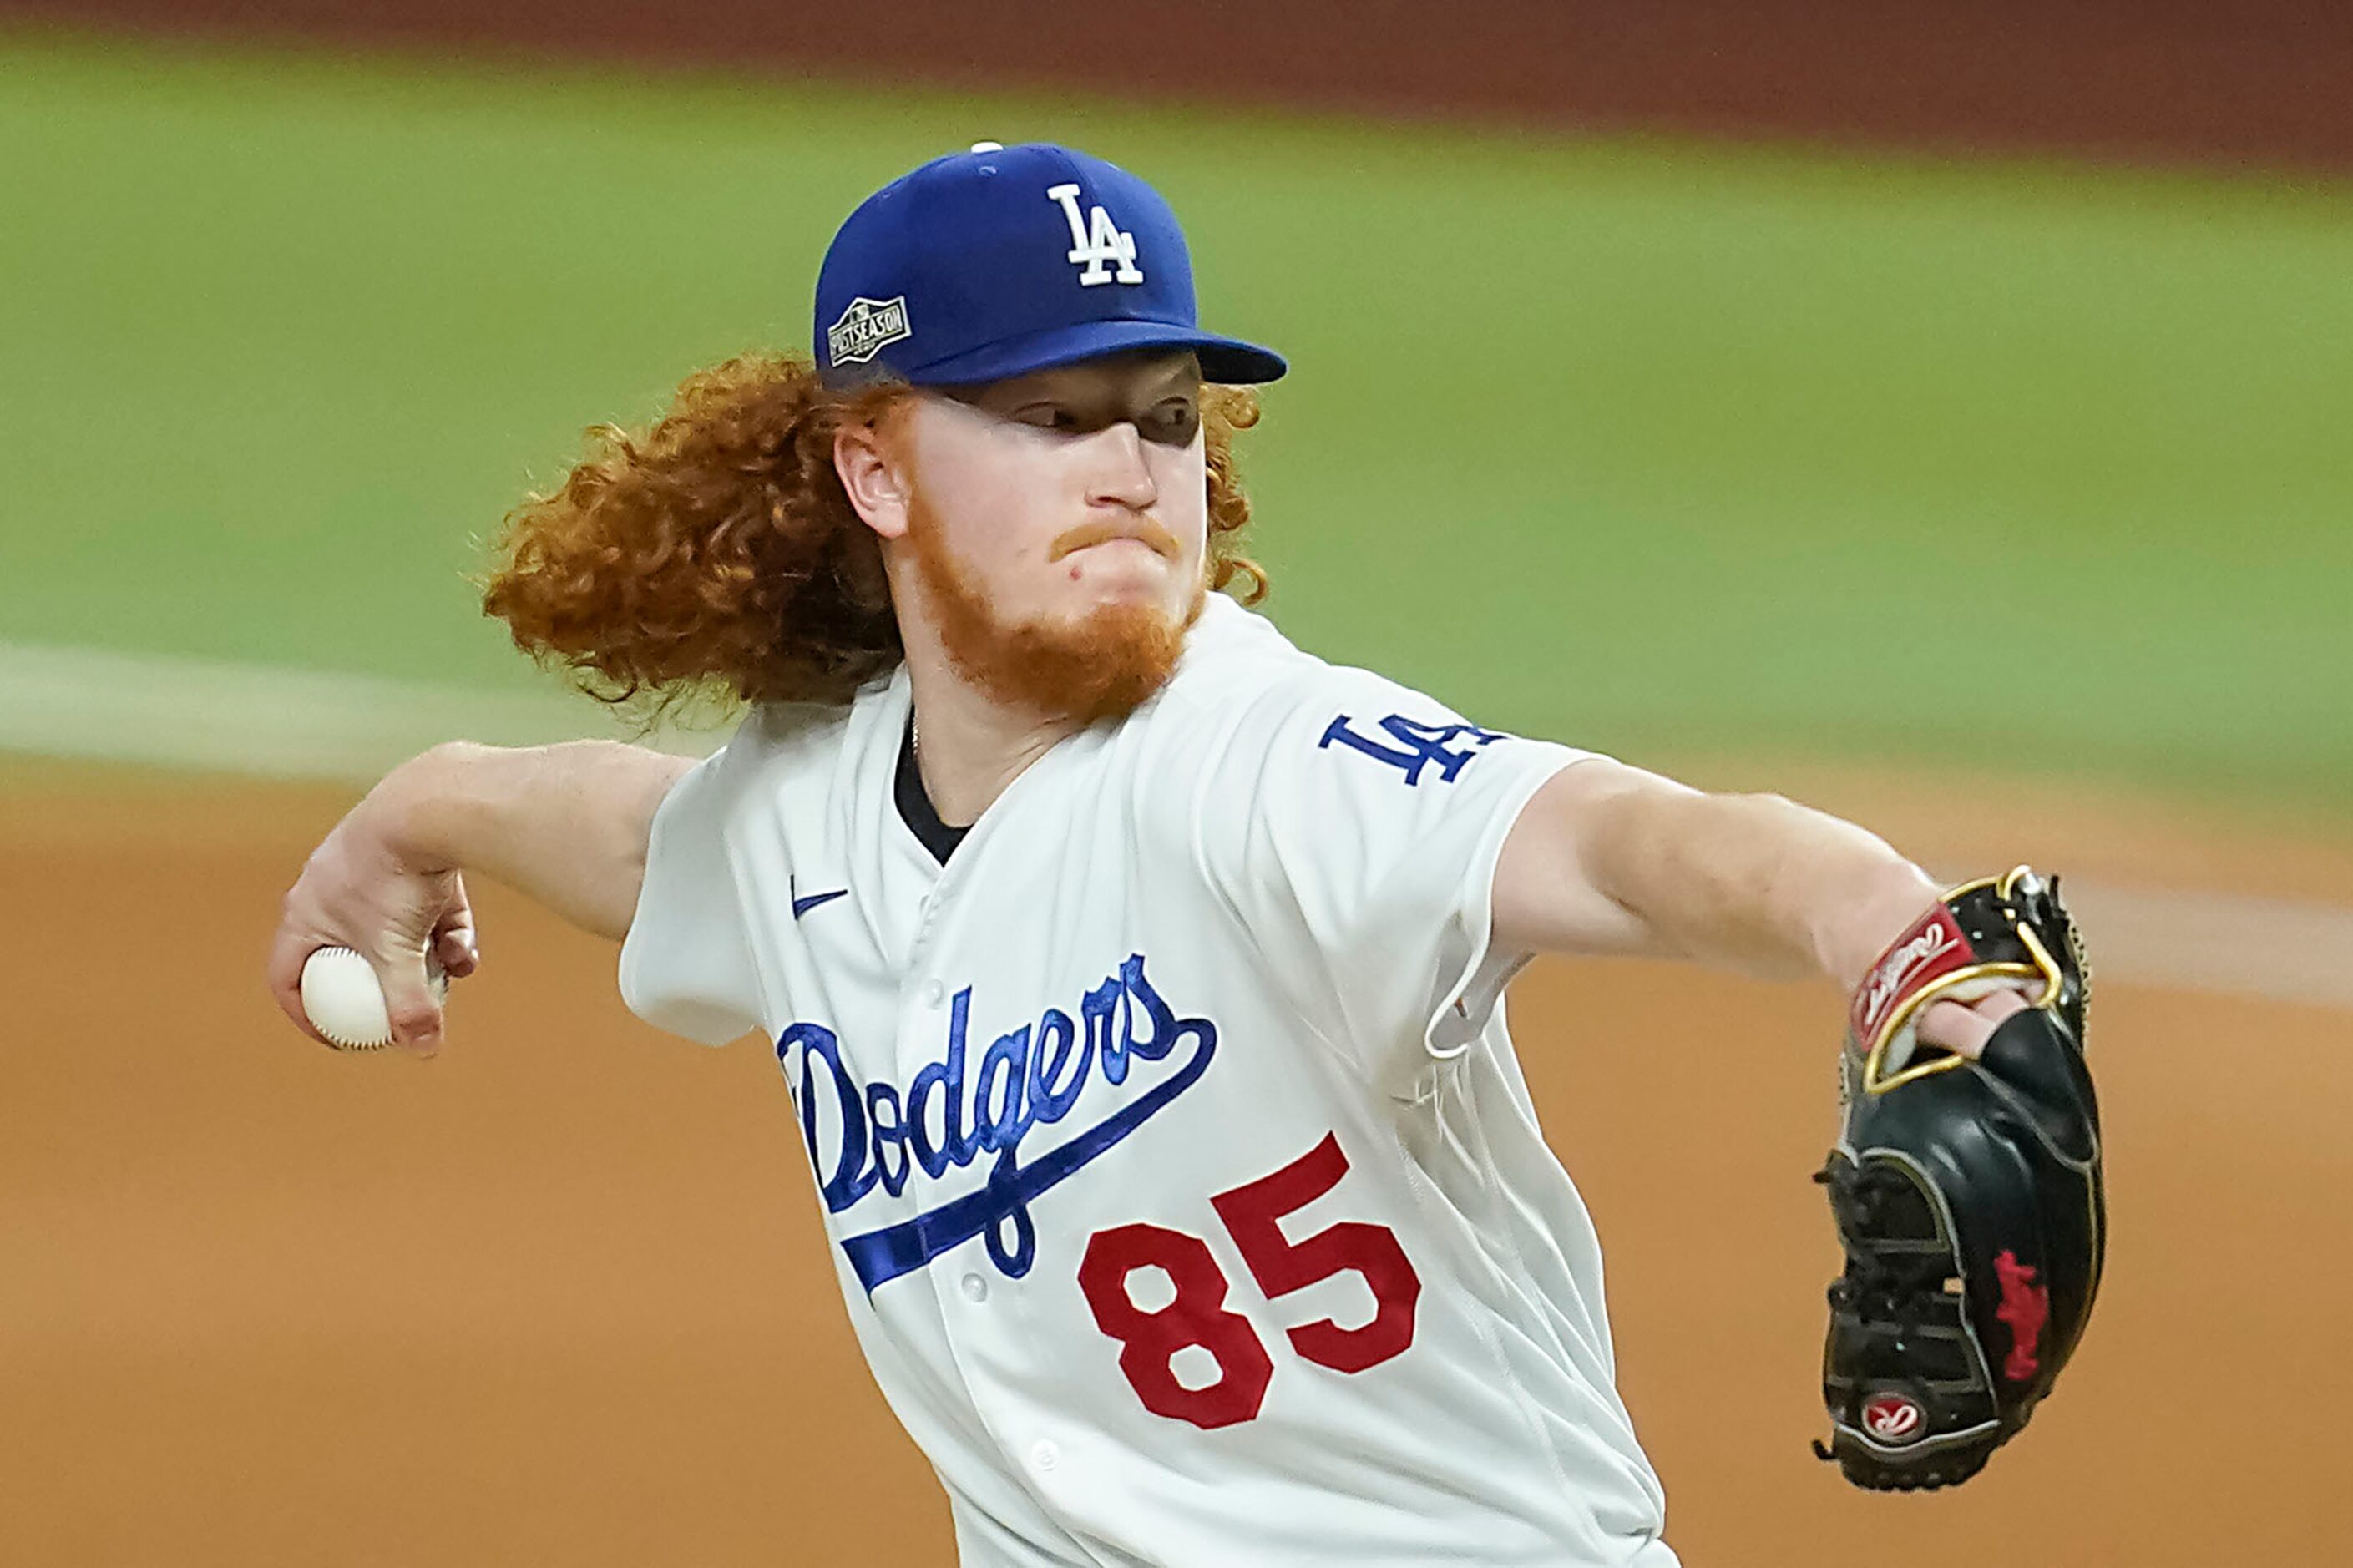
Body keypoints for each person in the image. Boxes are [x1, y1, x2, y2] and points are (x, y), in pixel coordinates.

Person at [271, 142, 2028, 1565]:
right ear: (871, 469)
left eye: (1164, 414)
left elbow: (1632, 847)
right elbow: (657, 849)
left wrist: (1887, 929)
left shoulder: (1262, 763)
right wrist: (428, 801)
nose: (1126, 465)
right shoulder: (809, 807)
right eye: (1049, 417)